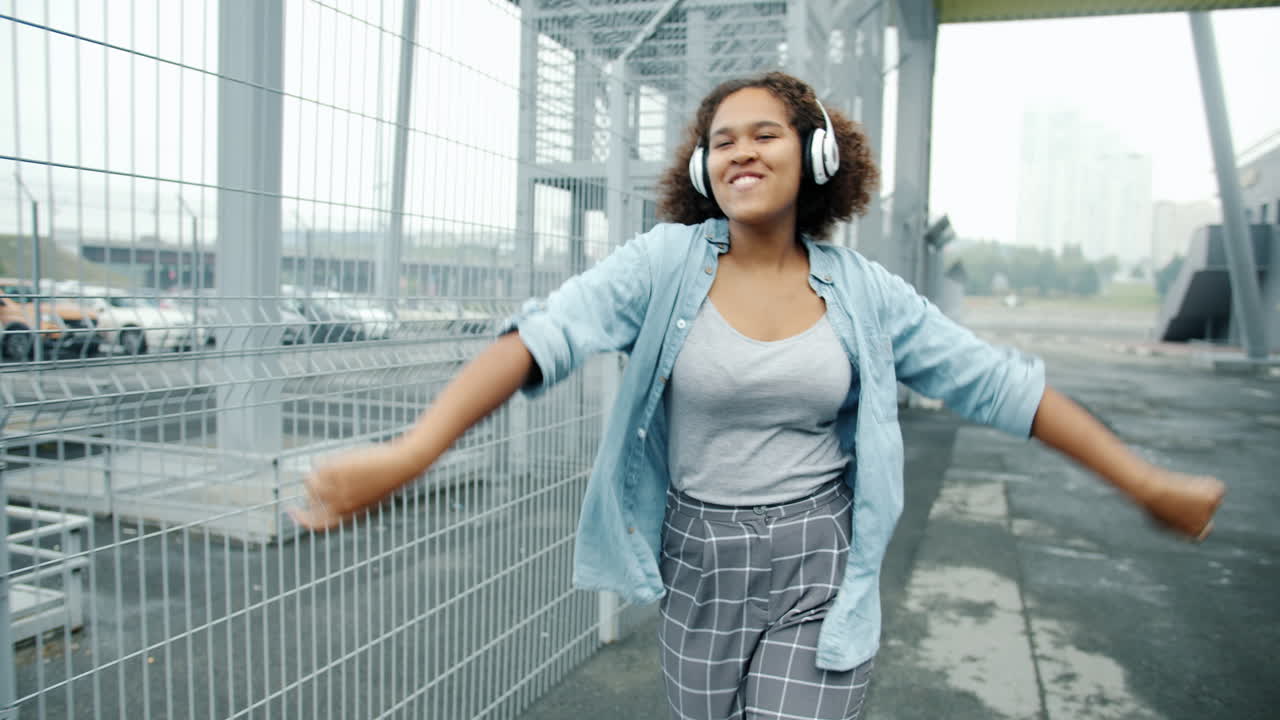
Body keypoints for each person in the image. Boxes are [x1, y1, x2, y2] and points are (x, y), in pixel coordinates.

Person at [290, 71, 1225, 720]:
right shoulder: (663, 265)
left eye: (764, 133)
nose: (740, 150)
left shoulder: (865, 294)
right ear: (703, 171)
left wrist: (1140, 482)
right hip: (697, 561)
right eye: (720, 141)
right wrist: (414, 452)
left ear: (814, 155)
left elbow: (1002, 387)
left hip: (818, 559)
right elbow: (541, 337)